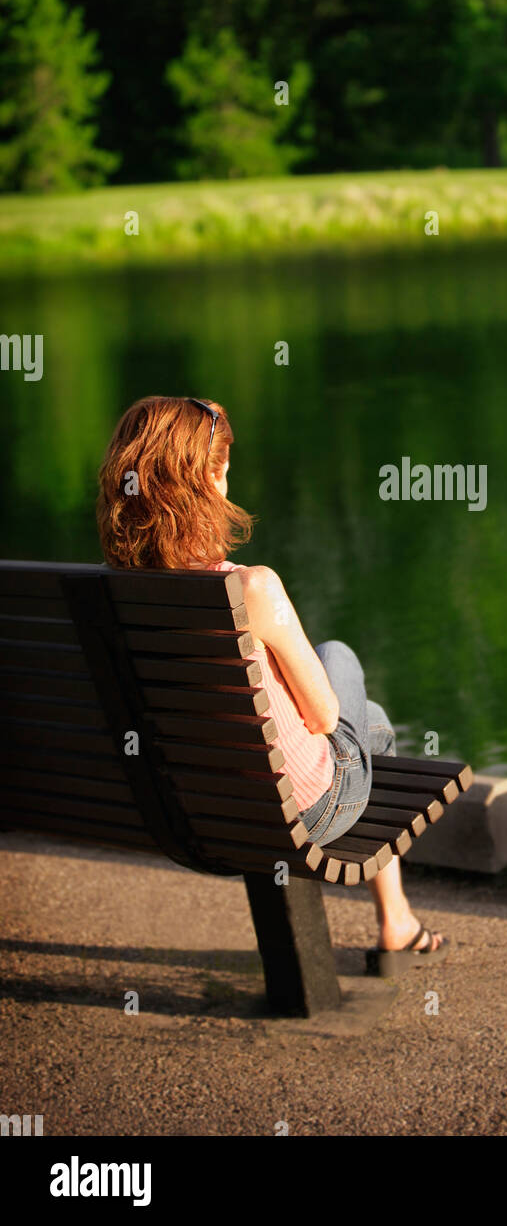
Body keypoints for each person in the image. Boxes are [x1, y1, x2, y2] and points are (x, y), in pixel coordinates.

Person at [96, 394, 448, 971]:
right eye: (223, 464)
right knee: (349, 677)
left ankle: (399, 920)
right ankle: (397, 922)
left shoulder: (109, 593)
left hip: (187, 810)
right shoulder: (251, 590)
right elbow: (326, 720)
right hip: (306, 809)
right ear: (210, 477)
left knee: (369, 715)